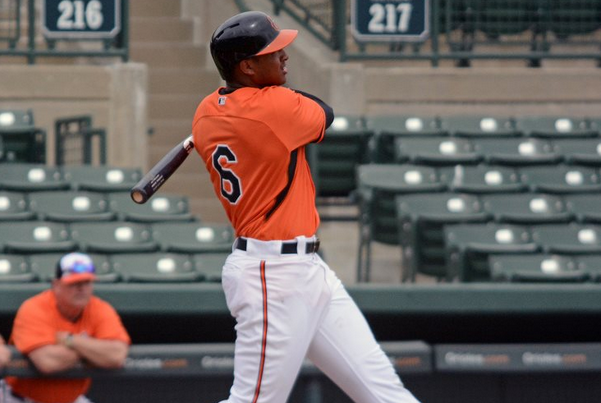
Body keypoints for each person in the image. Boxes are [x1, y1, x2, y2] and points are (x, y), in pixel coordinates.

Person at [192, 11, 421, 403]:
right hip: (272, 274)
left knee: (385, 394)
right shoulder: (273, 109)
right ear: (247, 67)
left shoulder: (207, 110)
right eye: (273, 52)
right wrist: (276, 95)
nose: (285, 57)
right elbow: (325, 112)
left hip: (308, 270)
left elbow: (265, 105)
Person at [2, 252, 130, 403]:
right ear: (56, 285)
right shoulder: (35, 308)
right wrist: (92, 352)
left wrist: (72, 341)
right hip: (23, 398)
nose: (81, 288)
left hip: (71, 399)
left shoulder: (100, 308)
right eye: (74, 283)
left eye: (86, 282)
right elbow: (47, 362)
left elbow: (116, 356)